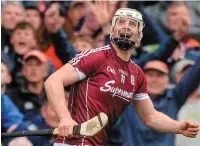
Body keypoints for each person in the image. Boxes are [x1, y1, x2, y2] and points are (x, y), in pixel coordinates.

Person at [44, 8, 199, 146]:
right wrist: (64, 118)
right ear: (112, 31)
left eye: (132, 24)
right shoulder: (96, 57)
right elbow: (53, 81)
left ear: (139, 36)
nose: (126, 26)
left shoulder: (137, 73)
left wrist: (178, 127)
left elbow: (150, 117)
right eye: (121, 23)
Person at [108, 59, 200, 146]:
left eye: (159, 75)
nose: (154, 80)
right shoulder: (128, 97)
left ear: (168, 79)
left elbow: (194, 73)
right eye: (150, 75)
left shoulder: (175, 97)